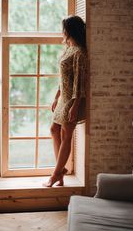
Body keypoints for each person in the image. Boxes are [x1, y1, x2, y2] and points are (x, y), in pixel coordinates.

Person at [43, 15, 87, 187]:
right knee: (54, 129)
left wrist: (75, 106)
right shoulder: (68, 49)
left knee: (66, 135)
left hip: (73, 100)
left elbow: (79, 82)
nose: (62, 32)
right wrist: (56, 96)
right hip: (63, 98)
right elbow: (63, 77)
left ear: (69, 30)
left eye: (64, 28)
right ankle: (60, 172)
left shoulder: (80, 53)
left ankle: (55, 175)